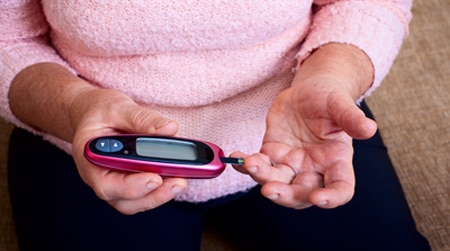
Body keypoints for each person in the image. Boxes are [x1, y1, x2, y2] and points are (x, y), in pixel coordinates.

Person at [0, 1, 431, 250]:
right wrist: (75, 106)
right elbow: (7, 37)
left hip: (302, 129)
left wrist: (332, 77)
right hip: (87, 134)